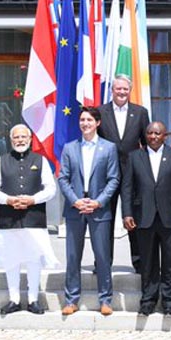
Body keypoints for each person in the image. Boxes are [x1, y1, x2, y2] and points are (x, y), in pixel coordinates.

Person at [0, 124, 59, 315]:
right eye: (16, 137)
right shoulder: (1, 161)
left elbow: (50, 188)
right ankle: (14, 299)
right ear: (11, 140)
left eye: (23, 137)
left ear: (30, 139)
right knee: (11, 259)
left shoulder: (40, 160)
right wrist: (8, 200)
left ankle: (33, 299)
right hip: (9, 218)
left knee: (34, 259)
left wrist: (33, 199)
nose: (20, 140)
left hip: (34, 218)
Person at [122, 122, 171, 317]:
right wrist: (127, 213)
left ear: (164, 136)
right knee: (148, 262)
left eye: (157, 133)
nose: (153, 136)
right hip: (144, 216)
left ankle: (169, 301)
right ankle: (148, 300)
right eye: (150, 133)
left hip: (170, 216)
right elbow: (127, 188)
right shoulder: (135, 157)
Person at [58, 107, 120, 316]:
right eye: (82, 120)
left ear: (97, 123)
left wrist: (98, 202)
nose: (85, 123)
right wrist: (75, 201)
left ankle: (105, 300)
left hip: (98, 209)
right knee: (73, 256)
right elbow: (63, 178)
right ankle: (71, 300)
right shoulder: (70, 148)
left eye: (89, 120)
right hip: (75, 208)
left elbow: (113, 179)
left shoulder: (108, 148)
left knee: (102, 256)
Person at [97, 75, 151, 273]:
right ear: (112, 90)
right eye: (118, 89)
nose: (121, 92)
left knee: (133, 217)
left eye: (125, 89)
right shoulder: (100, 112)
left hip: (133, 174)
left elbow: (147, 144)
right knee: (105, 220)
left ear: (130, 90)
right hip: (106, 174)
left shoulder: (140, 112)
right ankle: (103, 262)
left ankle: (139, 262)